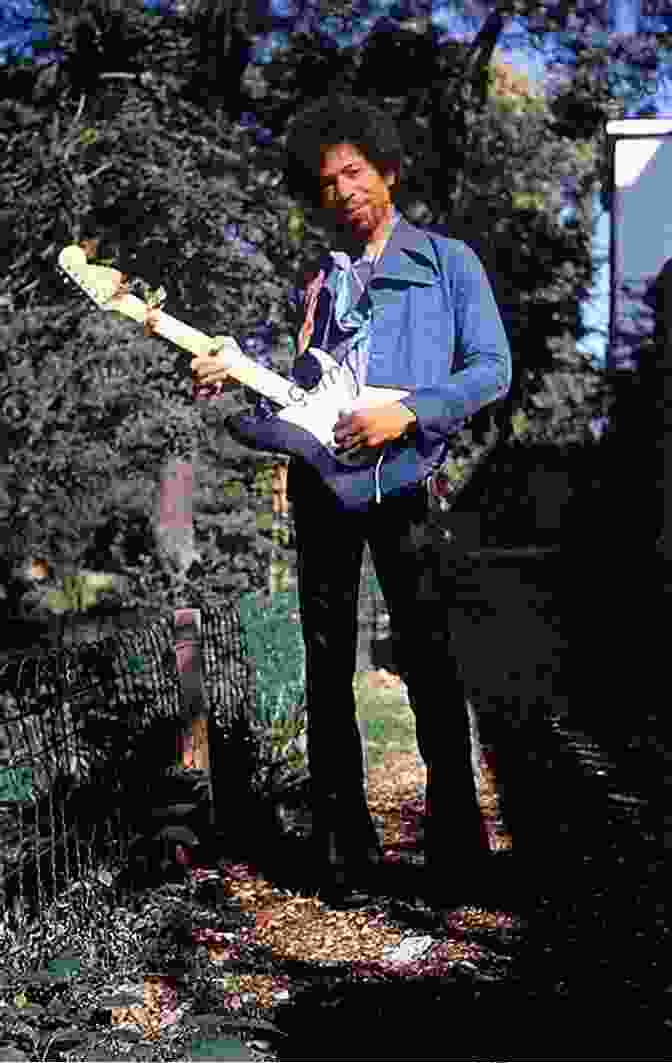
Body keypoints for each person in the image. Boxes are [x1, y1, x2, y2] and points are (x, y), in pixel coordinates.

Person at [191, 94, 512, 911]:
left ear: (389, 171)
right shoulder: (321, 284)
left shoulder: (447, 262)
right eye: (327, 181)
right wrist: (239, 374)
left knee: (432, 663)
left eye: (355, 173)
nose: (343, 192)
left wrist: (406, 411)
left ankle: (455, 848)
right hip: (322, 490)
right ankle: (342, 851)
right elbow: (306, 389)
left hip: (410, 485)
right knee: (327, 669)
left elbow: (490, 370)